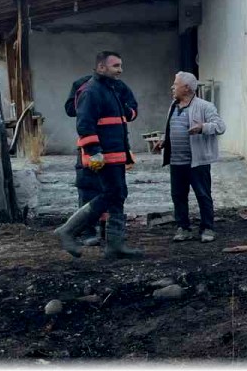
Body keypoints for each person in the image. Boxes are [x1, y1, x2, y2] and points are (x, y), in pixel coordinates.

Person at [53, 51, 143, 260]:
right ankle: (68, 231)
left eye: (120, 65)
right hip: (104, 156)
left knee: (118, 194)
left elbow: (123, 118)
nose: (120, 70)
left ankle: (115, 245)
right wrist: (94, 152)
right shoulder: (91, 91)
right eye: (116, 66)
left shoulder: (111, 89)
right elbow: (85, 124)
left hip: (115, 154)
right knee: (111, 194)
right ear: (102, 67)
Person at [64, 72, 138, 247]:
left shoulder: (119, 86)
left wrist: (118, 107)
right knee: (88, 188)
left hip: (114, 149)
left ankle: (109, 233)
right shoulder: (83, 85)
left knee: (115, 191)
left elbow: (133, 111)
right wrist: (90, 104)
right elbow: (70, 110)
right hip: (90, 148)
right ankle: (88, 232)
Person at [154, 71, 225, 243]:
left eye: (175, 84)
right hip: (176, 161)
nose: (172, 87)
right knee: (178, 196)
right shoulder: (173, 105)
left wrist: (202, 127)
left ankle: (207, 228)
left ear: (186, 88)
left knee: (203, 195)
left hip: (197, 162)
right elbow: (171, 128)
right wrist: (164, 140)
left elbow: (220, 126)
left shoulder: (205, 106)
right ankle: (183, 228)